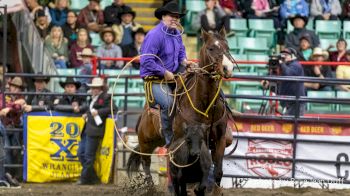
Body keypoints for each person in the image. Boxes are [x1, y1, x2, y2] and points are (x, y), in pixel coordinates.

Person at [140, 1, 195, 147]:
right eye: (172, 16)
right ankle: (169, 139)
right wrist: (164, 72)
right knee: (169, 104)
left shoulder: (176, 33)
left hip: (174, 75)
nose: (175, 19)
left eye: (177, 17)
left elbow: (181, 51)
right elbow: (146, 61)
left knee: (194, 89)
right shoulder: (154, 35)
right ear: (163, 16)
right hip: (154, 79)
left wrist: (185, 62)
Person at [76, 77, 115, 185]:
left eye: (96, 88)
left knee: (88, 156)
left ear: (101, 88)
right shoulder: (93, 98)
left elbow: (112, 108)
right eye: (93, 88)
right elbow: (92, 110)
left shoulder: (106, 97)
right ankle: (92, 177)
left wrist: (98, 112)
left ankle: (85, 179)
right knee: (81, 154)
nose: (94, 89)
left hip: (94, 130)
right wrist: (87, 114)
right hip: (88, 129)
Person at [279, 48, 306, 116]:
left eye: (286, 55)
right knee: (287, 123)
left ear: (293, 56)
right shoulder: (285, 65)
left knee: (294, 124)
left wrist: (282, 64)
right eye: (282, 54)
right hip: (288, 100)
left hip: (296, 101)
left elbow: (288, 73)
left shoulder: (296, 65)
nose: (284, 56)